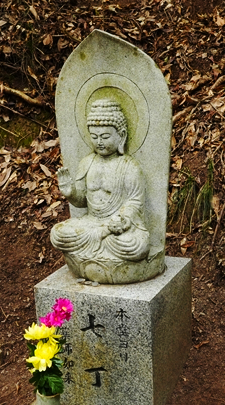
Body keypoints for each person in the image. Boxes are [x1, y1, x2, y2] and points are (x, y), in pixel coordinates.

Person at [50, 98, 160, 284]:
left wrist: (122, 220)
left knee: (135, 245)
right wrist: (71, 193)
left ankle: (92, 257)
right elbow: (82, 200)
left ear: (121, 136)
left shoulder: (129, 166)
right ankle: (97, 253)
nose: (99, 142)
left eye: (105, 136)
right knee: (58, 233)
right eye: (94, 137)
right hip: (91, 223)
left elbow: (134, 202)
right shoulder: (87, 163)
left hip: (118, 228)